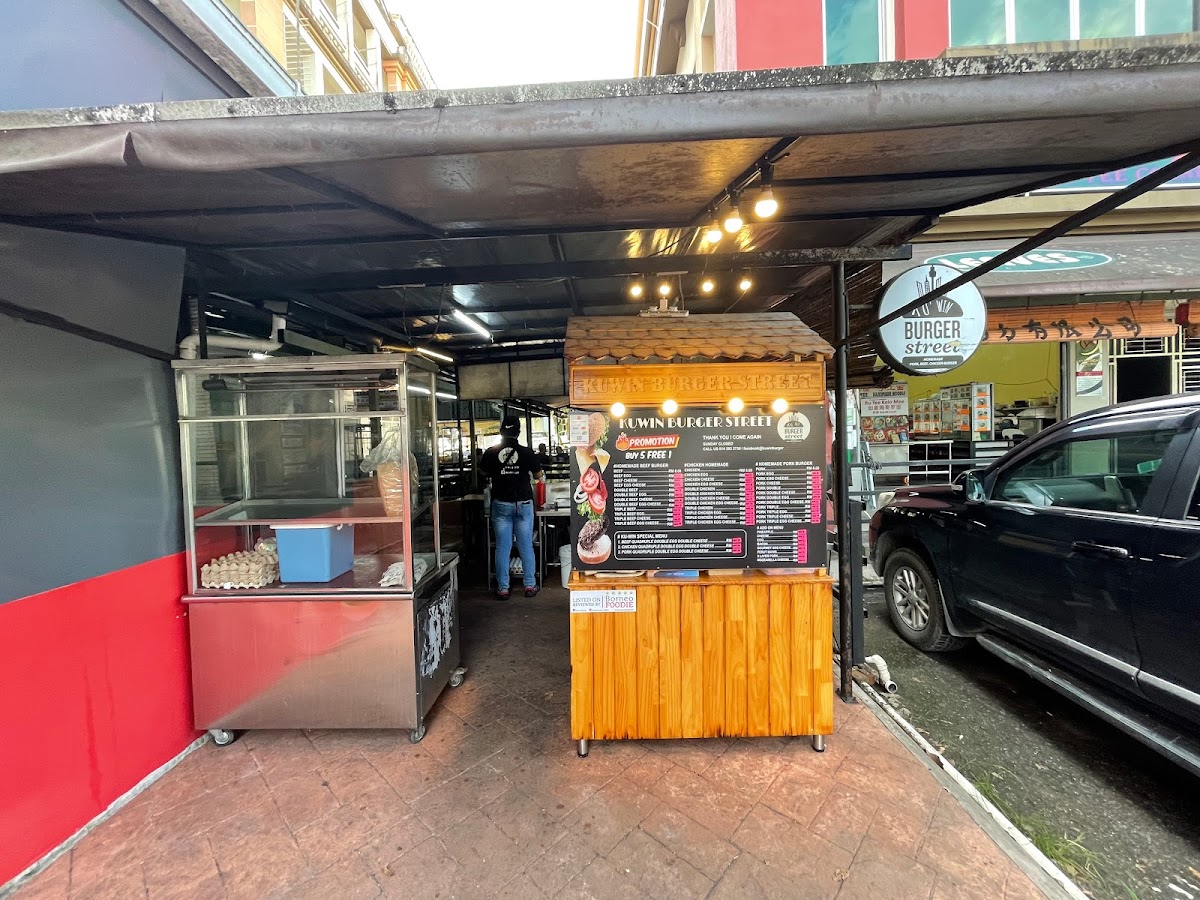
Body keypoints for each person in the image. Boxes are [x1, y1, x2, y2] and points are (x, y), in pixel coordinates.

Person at [480, 415, 544, 599]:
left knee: (502, 548)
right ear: (518, 432)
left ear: (501, 432)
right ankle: (529, 586)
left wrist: (498, 473)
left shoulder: (491, 452)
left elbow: (482, 472)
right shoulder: (527, 452)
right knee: (526, 546)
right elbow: (538, 475)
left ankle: (503, 588)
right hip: (523, 503)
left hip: (501, 503)